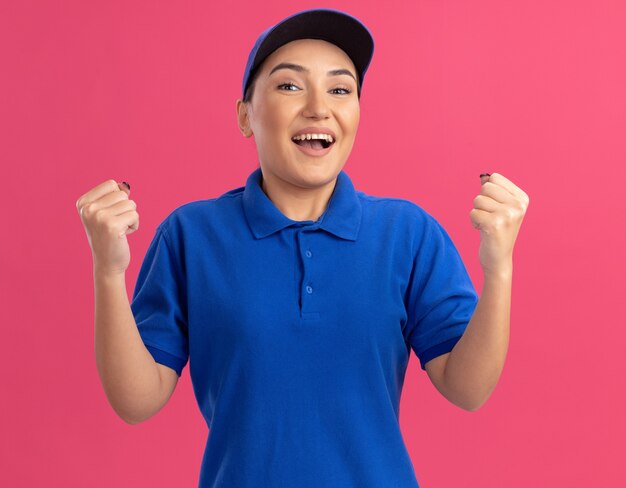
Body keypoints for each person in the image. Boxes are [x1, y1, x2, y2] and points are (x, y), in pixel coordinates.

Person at [76, 8, 529, 488]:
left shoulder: (408, 233)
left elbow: (468, 388)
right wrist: (108, 270)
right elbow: (136, 400)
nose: (318, 107)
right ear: (245, 115)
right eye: (290, 86)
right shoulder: (191, 235)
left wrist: (498, 269)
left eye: (340, 89)